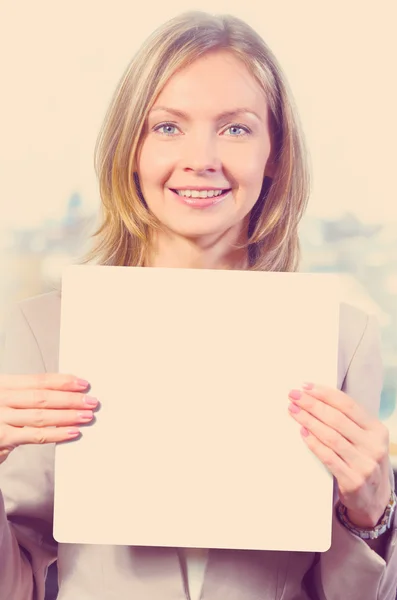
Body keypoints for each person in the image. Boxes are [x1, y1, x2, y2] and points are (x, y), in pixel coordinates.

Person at [0, 10, 396, 600]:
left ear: (274, 153)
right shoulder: (42, 331)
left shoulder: (344, 338)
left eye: (236, 129)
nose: (201, 158)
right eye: (167, 127)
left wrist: (375, 516)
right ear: (129, 147)